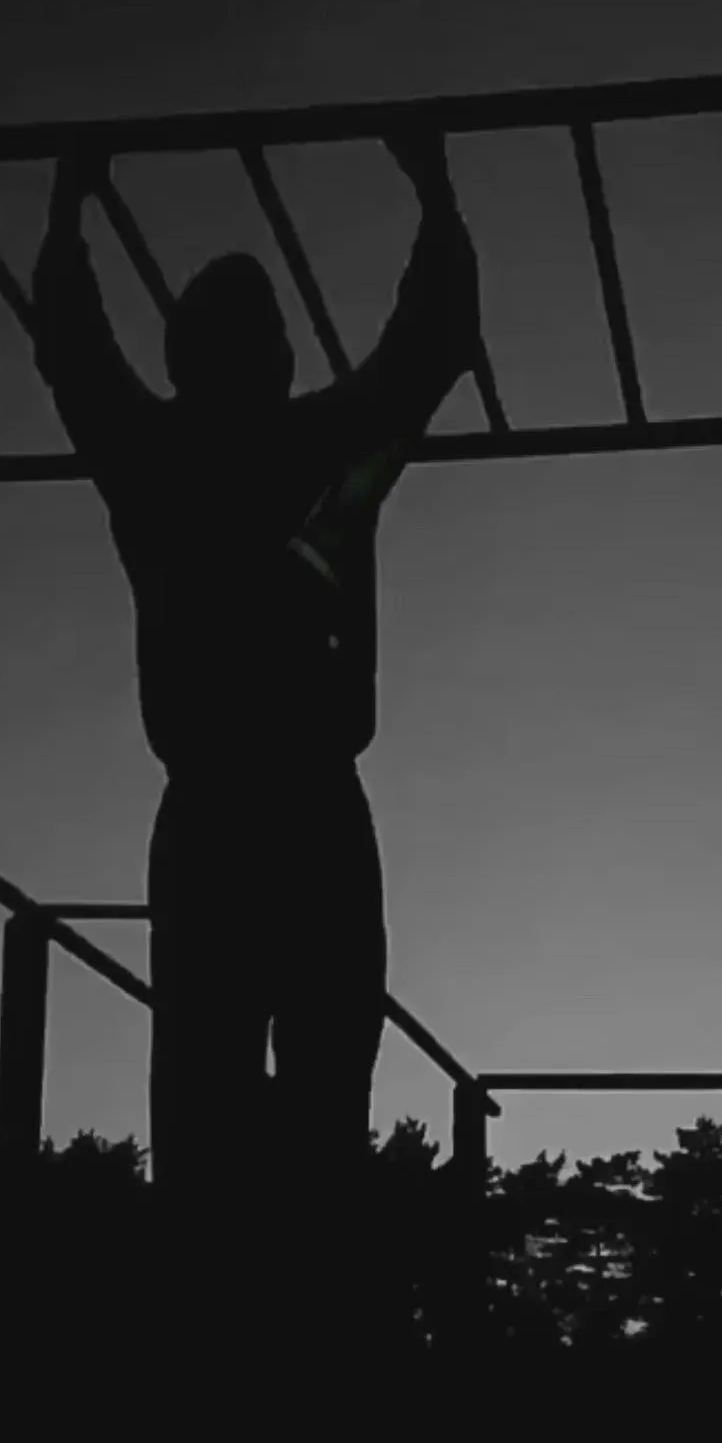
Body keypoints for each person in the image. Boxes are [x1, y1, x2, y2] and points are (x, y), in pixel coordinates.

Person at [30, 134, 480, 1304]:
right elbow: (427, 349)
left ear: (181, 358)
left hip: (213, 819)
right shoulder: (317, 446)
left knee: (202, 1107)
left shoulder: (155, 455)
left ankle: (211, 1348)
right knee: (321, 1100)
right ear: (279, 357)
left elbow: (71, 353)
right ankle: (305, 1341)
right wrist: (432, 192)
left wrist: (69, 204)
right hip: (312, 814)